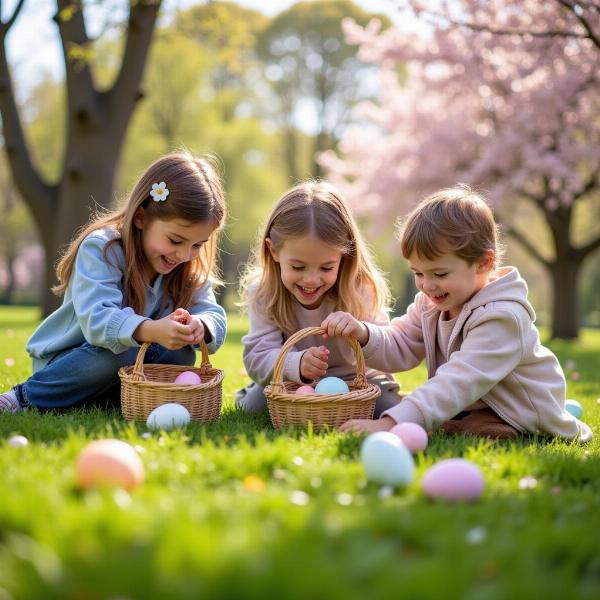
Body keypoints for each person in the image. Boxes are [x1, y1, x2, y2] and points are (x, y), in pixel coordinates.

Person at [322, 185, 592, 441]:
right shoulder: (431, 304)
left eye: (440, 273)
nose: (427, 285)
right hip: (472, 404)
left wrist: (389, 424)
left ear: (482, 263)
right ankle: (461, 422)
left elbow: (458, 381)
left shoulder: (502, 317)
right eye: (418, 273)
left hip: (520, 413)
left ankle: (484, 427)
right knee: (445, 418)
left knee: (455, 417)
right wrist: (365, 334)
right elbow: (400, 343)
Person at [0, 151, 227, 413]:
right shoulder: (103, 249)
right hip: (75, 361)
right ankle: (24, 397)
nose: (184, 255)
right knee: (116, 355)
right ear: (141, 218)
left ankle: (121, 398)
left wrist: (201, 325)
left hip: (128, 361)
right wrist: (151, 330)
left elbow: (213, 312)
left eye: (198, 244)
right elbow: (98, 320)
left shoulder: (187, 267)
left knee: (181, 354)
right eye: (175, 240)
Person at [236, 180, 402, 417]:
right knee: (255, 408)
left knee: (389, 407)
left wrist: (363, 332)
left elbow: (389, 351)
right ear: (274, 251)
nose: (311, 280)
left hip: (357, 381)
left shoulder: (360, 289)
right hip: (292, 382)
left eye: (326, 268)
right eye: (298, 266)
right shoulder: (264, 292)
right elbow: (258, 358)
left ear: (344, 257)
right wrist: (296, 364)